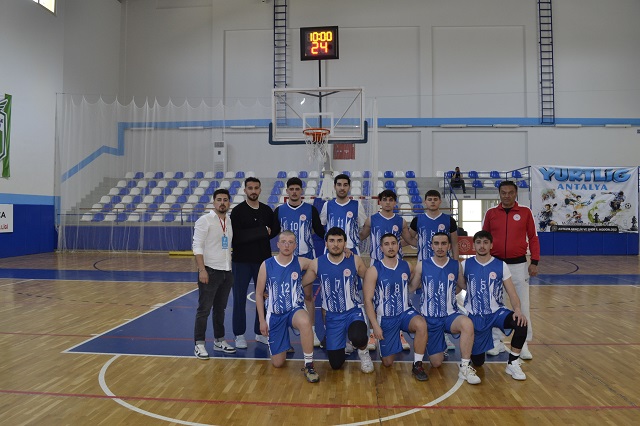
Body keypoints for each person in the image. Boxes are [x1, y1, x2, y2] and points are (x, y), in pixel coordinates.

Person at [409, 232, 481, 384]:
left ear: (449, 246)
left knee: (467, 324)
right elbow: (412, 288)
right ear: (431, 246)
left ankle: (465, 367)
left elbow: (462, 285)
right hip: (430, 319)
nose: (440, 247)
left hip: (450, 316)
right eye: (436, 243)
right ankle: (438, 343)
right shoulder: (422, 265)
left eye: (443, 243)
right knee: (436, 362)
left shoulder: (455, 265)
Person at [458, 230, 529, 381]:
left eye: (485, 242)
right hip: (475, 316)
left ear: (491, 245)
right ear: (474, 245)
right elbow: (458, 288)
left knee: (521, 322)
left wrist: (517, 310)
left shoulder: (501, 265)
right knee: (478, 361)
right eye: (478, 242)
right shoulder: (465, 265)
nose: (482, 246)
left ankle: (513, 363)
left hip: (497, 313)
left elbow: (512, 293)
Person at [302, 227, 372, 373]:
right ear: (326, 244)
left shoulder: (354, 260)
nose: (335, 244)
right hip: (332, 317)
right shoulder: (317, 263)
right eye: (332, 241)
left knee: (358, 337)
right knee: (335, 364)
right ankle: (345, 344)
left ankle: (363, 352)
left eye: (339, 241)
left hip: (353, 311)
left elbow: (369, 278)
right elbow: (302, 282)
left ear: (345, 243)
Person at [482, 180, 539, 359]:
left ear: (516, 194)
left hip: (519, 266)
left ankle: (523, 344)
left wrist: (535, 261)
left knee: (522, 305)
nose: (507, 196)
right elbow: (483, 238)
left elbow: (533, 237)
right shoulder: (491, 213)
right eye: (503, 192)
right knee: (495, 305)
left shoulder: (525, 212)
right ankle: (496, 341)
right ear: (499, 194)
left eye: (510, 192)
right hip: (495, 265)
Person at [363, 233, 429, 381]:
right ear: (381, 248)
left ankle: (417, 364)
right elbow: (367, 300)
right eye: (386, 244)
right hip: (386, 318)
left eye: (393, 243)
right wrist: (375, 327)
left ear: (398, 246)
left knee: (421, 324)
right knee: (387, 363)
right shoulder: (374, 270)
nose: (391, 247)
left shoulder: (406, 266)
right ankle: (392, 341)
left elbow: (411, 286)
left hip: (405, 312)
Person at [255, 231, 319, 383]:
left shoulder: (300, 262)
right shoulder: (267, 265)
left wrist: (302, 283)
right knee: (278, 363)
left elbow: (320, 264)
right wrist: (262, 321)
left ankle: (309, 365)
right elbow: (258, 293)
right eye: (283, 241)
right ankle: (284, 343)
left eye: (290, 242)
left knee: (305, 321)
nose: (287, 245)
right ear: (277, 244)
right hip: (275, 314)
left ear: (295, 246)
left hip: (294, 310)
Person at [359, 189, 417, 351]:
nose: (388, 202)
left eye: (391, 200)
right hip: (376, 264)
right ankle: (372, 333)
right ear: (380, 202)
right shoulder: (372, 219)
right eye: (385, 199)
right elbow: (361, 236)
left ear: (395, 202)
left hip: (396, 264)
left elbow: (408, 240)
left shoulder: (401, 221)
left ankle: (399, 333)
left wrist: (428, 243)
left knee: (399, 298)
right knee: (372, 300)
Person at [272, 177, 326, 346]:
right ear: (287, 191)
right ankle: (284, 337)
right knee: (284, 298)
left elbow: (321, 231)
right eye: (292, 189)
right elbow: (272, 232)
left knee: (308, 296)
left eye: (297, 189)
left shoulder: (310, 210)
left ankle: (312, 331)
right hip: (287, 261)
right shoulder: (279, 211)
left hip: (306, 258)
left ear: (301, 191)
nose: (294, 192)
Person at [409, 189, 459, 351]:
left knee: (444, 298)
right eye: (429, 199)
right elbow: (409, 238)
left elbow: (454, 243)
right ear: (425, 202)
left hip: (444, 265)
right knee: (423, 299)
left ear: (439, 202)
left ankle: (444, 334)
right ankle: (425, 332)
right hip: (425, 266)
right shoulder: (417, 220)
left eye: (435, 199)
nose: (432, 202)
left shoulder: (449, 220)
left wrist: (455, 262)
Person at [230, 177, 275, 349]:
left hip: (262, 262)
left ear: (260, 190)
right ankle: (239, 334)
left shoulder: (267, 211)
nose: (253, 191)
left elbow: (273, 232)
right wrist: (261, 231)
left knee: (262, 298)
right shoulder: (237, 212)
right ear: (245, 190)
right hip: (240, 262)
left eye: (256, 188)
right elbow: (237, 237)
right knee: (239, 298)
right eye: (250, 188)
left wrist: (257, 233)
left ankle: (260, 332)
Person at [193, 188, 235, 359]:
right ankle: (199, 344)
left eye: (225, 200)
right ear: (213, 202)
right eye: (219, 200)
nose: (222, 203)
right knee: (204, 309)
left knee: (220, 309)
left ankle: (219, 340)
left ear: (229, 202)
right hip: (209, 271)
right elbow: (197, 246)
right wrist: (202, 269)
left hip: (226, 271)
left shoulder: (229, 220)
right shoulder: (205, 221)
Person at [319, 173, 367, 255]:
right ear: (334, 187)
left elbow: (365, 226)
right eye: (339, 185)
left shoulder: (357, 205)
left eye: (345, 185)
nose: (342, 188)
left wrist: (355, 239)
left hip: (352, 250)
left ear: (349, 187)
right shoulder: (327, 205)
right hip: (331, 251)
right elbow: (321, 225)